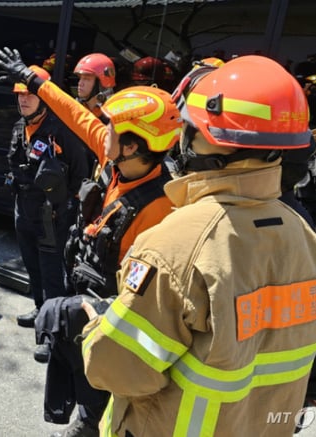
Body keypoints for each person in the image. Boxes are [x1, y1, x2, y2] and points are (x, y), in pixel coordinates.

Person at [80, 54, 316, 436]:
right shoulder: (304, 236)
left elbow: (117, 370)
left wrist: (97, 328)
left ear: (209, 140)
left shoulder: (178, 242)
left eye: (190, 128)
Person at [0, 47, 181, 437]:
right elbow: (74, 114)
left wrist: (90, 311)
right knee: (80, 375)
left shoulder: (161, 210)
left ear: (132, 145)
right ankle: (87, 416)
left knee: (104, 391)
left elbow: (145, 302)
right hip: (88, 296)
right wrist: (32, 79)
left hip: (113, 316)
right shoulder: (120, 159)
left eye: (111, 127)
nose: (101, 128)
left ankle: (95, 423)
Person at [6, 65, 91, 363]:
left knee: (53, 274)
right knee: (33, 268)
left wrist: (69, 207)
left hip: (52, 216)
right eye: (20, 96)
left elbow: (81, 171)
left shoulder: (61, 130)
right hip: (24, 209)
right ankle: (40, 308)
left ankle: (51, 336)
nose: (24, 101)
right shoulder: (20, 127)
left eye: (29, 95)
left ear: (43, 97)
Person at [72, 53, 116, 117]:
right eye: (80, 78)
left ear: (100, 83)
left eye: (86, 79)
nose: (80, 83)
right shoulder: (75, 108)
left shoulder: (114, 113)